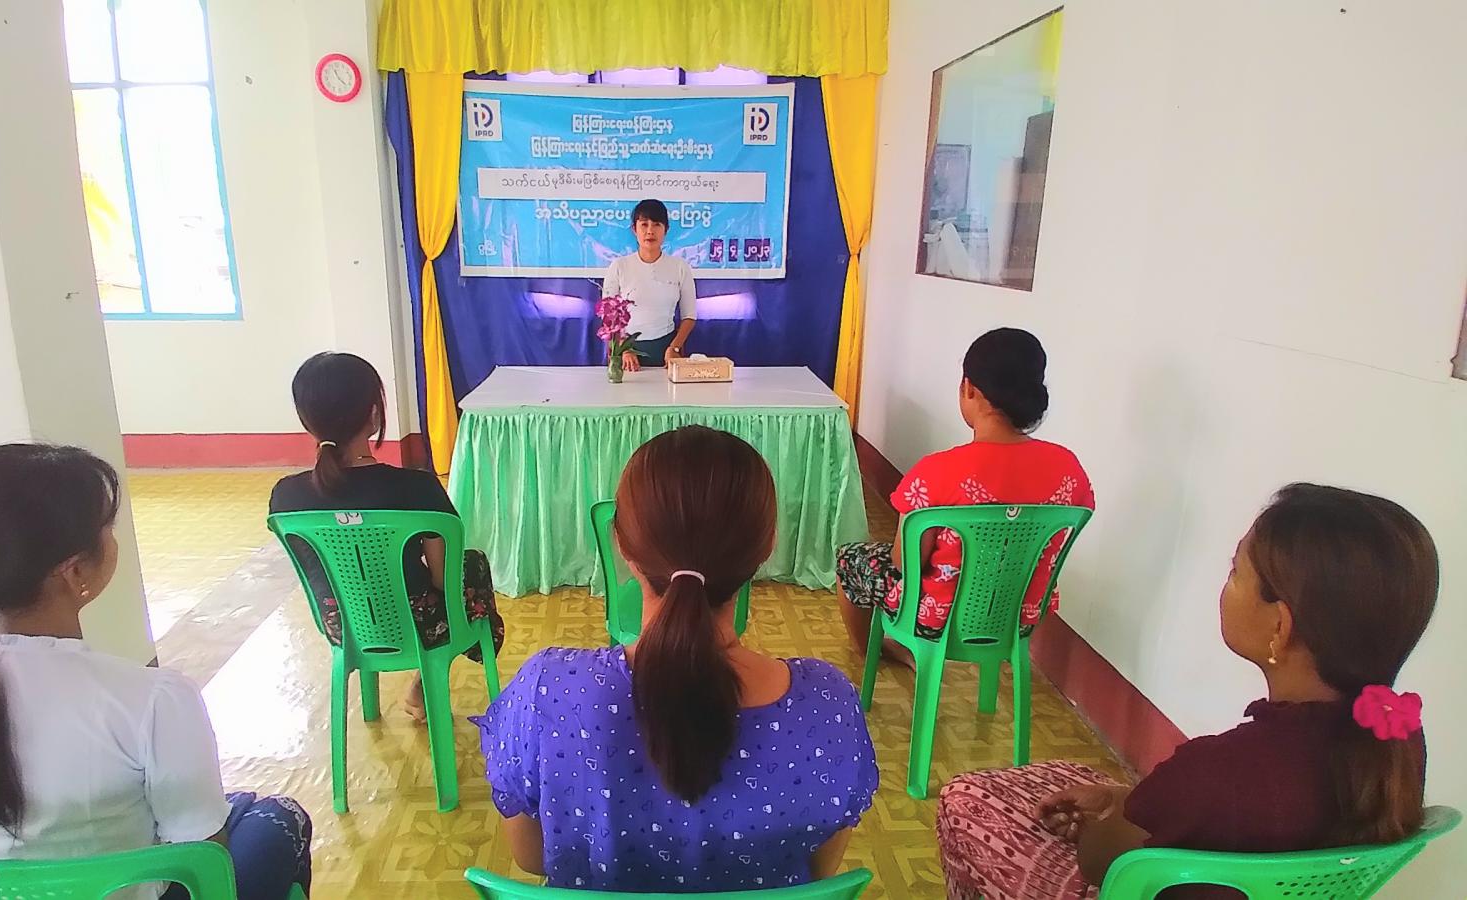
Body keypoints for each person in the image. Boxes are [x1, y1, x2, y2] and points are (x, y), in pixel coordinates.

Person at [937, 484, 1438, 900]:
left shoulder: (1218, 770)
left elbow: (1099, 862)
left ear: (1279, 626)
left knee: (966, 797)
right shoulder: (1394, 741)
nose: (1226, 584)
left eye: (1235, 571)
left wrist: (1102, 822)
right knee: (1070, 775)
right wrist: (1124, 798)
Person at [473, 426, 878, 890]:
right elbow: (820, 871)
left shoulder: (548, 691)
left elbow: (531, 857)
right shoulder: (828, 706)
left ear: (621, 545)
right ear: (766, 547)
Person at [0, 444, 311, 900]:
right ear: (75, 570)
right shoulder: (153, 699)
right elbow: (204, 864)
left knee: (240, 807)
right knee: (279, 816)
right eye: (108, 527)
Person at [835, 328, 1094, 665]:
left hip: (935, 618)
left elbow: (904, 563)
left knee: (850, 558)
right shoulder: (1068, 468)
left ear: (969, 388)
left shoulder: (936, 472)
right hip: (1019, 616)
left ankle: (875, 651)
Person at [269, 351, 504, 722]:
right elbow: (444, 580)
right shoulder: (418, 488)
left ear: (305, 419)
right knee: (471, 565)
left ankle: (413, 685)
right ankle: (426, 678)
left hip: (344, 627)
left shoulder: (285, 498)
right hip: (419, 627)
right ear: (375, 413)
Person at [602, 198, 696, 370]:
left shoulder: (680, 267)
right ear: (634, 229)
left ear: (666, 229)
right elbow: (609, 316)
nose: (650, 231)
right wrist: (624, 349)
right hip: (626, 353)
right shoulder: (619, 266)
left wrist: (674, 348)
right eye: (644, 225)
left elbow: (689, 317)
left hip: (667, 350)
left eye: (657, 224)